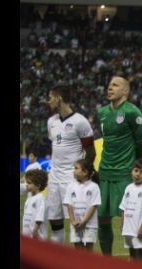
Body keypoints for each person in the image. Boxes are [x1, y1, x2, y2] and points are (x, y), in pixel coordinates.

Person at [96, 75, 142, 256]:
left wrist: (132, 163)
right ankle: (106, 260)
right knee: (102, 218)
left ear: (125, 91)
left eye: (115, 85)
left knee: (129, 218)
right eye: (109, 84)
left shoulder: (132, 112)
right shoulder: (102, 112)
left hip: (124, 174)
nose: (110, 87)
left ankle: (138, 261)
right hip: (105, 172)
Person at [46, 85, 96, 244]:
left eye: (50, 97)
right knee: (54, 221)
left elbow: (91, 152)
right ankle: (56, 260)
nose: (48, 101)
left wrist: (84, 175)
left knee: (78, 224)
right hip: (54, 179)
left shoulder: (80, 122)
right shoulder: (51, 122)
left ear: (59, 98)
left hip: (72, 180)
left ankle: (80, 264)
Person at [119, 159, 142, 262]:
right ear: (132, 171)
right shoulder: (128, 188)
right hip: (128, 228)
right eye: (136, 171)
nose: (138, 174)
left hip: (139, 228)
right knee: (132, 252)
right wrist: (123, 225)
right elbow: (123, 208)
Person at [64, 159, 101, 251]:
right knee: (78, 252)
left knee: (88, 252)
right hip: (75, 225)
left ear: (85, 172)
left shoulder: (94, 187)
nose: (74, 170)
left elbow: (94, 206)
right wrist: (73, 221)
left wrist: (84, 221)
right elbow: (69, 205)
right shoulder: (70, 186)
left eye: (76, 168)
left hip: (89, 225)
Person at [22, 169, 48, 240]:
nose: (26, 185)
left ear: (38, 186)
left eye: (29, 183)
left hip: (37, 236)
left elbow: (40, 216)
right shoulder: (29, 198)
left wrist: (35, 229)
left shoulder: (40, 199)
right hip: (27, 234)